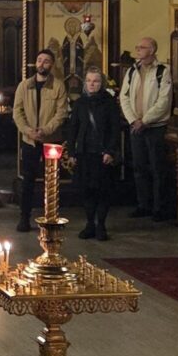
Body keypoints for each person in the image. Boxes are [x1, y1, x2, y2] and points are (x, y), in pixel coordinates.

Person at [12, 48, 69, 232]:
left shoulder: (58, 86)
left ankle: (51, 216)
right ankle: (24, 217)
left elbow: (61, 113)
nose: (42, 64)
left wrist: (46, 130)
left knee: (51, 180)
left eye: (46, 61)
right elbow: (17, 112)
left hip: (51, 140)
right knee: (28, 180)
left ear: (51, 65)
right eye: (39, 60)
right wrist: (28, 131)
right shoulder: (24, 86)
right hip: (30, 140)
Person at [64, 69, 124, 241]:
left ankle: (101, 225)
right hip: (84, 153)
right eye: (89, 80)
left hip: (102, 153)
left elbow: (115, 129)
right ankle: (90, 223)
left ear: (101, 83)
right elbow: (73, 128)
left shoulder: (109, 103)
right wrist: (72, 152)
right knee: (87, 190)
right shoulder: (80, 103)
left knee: (103, 191)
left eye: (96, 81)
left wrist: (110, 151)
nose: (92, 84)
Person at [118, 37, 173, 221]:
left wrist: (146, 120)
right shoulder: (132, 71)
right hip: (136, 126)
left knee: (157, 168)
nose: (138, 50)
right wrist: (133, 120)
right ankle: (143, 204)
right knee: (139, 167)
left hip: (155, 127)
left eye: (142, 47)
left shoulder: (162, 71)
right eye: (137, 47)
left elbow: (163, 101)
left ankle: (159, 207)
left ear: (152, 50)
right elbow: (124, 97)